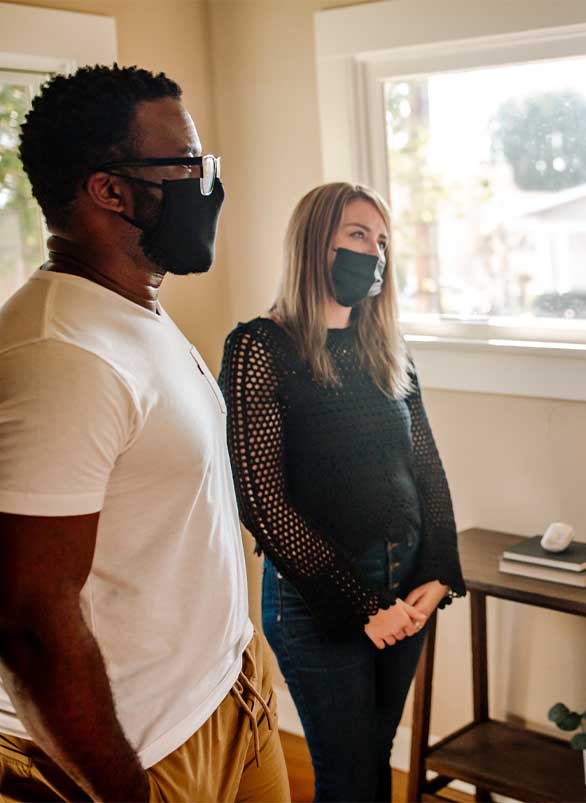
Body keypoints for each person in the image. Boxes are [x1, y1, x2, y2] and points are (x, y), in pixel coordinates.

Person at [0, 65, 287, 802]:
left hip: (229, 693)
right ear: (111, 190)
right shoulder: (61, 354)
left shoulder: (131, 307)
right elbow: (29, 622)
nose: (208, 183)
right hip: (138, 752)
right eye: (188, 165)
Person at [219, 181, 467, 801]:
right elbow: (260, 500)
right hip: (319, 601)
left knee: (375, 759)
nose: (373, 254)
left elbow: (426, 466)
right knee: (349, 776)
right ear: (314, 242)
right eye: (357, 236)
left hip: (406, 586)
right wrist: (364, 604)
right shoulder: (259, 348)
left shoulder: (387, 350)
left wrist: (437, 570)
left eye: (381, 242)